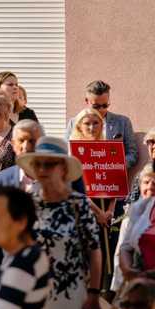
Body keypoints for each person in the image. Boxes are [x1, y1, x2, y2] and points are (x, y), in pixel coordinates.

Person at [16, 136, 102, 309]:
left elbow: (94, 251)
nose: (42, 170)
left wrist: (93, 293)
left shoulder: (79, 204)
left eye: (49, 164)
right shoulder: (27, 205)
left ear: (62, 169)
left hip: (72, 297)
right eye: (38, 164)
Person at [70, 108, 118, 292]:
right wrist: (98, 213)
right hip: (85, 210)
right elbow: (76, 189)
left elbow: (116, 182)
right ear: (80, 126)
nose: (91, 127)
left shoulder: (110, 148)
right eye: (87, 123)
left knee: (106, 256)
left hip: (107, 210)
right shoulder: (73, 151)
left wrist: (109, 211)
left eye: (95, 123)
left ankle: (102, 296)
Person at [65, 80, 139, 171]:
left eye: (105, 105)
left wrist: (115, 165)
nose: (101, 110)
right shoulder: (74, 122)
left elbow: (132, 153)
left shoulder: (123, 122)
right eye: (96, 106)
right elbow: (65, 153)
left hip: (112, 181)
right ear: (86, 101)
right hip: (82, 180)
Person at [116, 164, 155, 287]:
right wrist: (128, 270)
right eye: (146, 182)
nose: (150, 187)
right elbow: (125, 248)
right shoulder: (137, 209)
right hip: (139, 283)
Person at [0, 119, 43, 190]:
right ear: (13, 144)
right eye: (21, 140)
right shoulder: (0, 181)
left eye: (32, 141)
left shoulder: (54, 181)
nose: (26, 147)